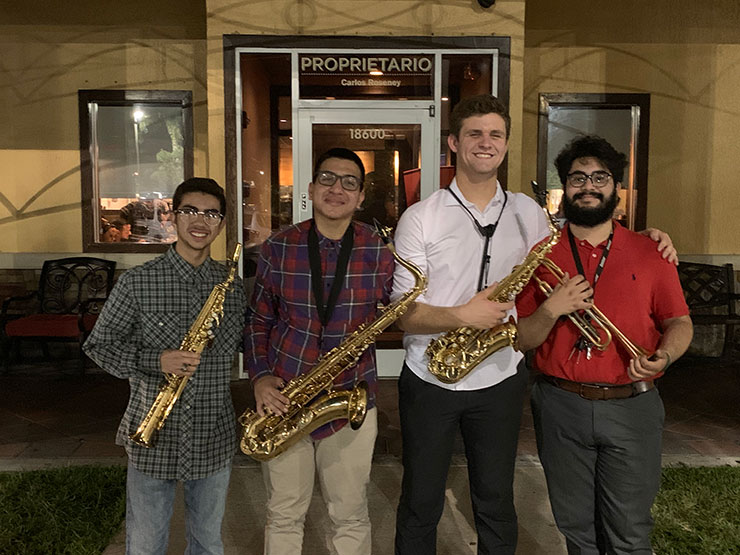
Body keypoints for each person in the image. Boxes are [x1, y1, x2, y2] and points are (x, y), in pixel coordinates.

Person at [390, 95, 678, 555]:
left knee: (497, 503)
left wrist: (647, 237)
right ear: (453, 143)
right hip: (431, 378)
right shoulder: (420, 217)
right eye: (474, 134)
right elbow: (405, 314)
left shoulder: (529, 214)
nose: (486, 143)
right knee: (421, 501)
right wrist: (463, 315)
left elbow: (586, 235)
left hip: (500, 377)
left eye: (495, 134)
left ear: (505, 144)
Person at [516, 135, 693, 555]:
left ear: (616, 187)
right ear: (565, 188)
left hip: (632, 405)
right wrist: (551, 309)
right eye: (578, 177)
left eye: (600, 177)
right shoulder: (540, 255)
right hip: (560, 405)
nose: (589, 185)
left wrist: (664, 355)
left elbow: (680, 322)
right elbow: (522, 338)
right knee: (576, 529)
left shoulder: (651, 251)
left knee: (630, 532)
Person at [244, 147, 395, 555]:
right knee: (285, 512)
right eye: (327, 178)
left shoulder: (380, 252)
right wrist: (259, 377)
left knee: (349, 513)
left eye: (350, 182)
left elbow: (395, 314)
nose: (337, 188)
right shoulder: (279, 246)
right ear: (310, 188)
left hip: (349, 401)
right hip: (284, 399)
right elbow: (258, 321)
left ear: (361, 197)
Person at [84, 177, 246, 555]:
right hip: (153, 436)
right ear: (173, 216)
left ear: (221, 223)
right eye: (190, 210)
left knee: (207, 544)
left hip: (212, 435)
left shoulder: (232, 288)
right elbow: (99, 346)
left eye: (211, 213)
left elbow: (248, 343)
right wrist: (156, 360)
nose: (200, 220)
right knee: (144, 545)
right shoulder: (139, 282)